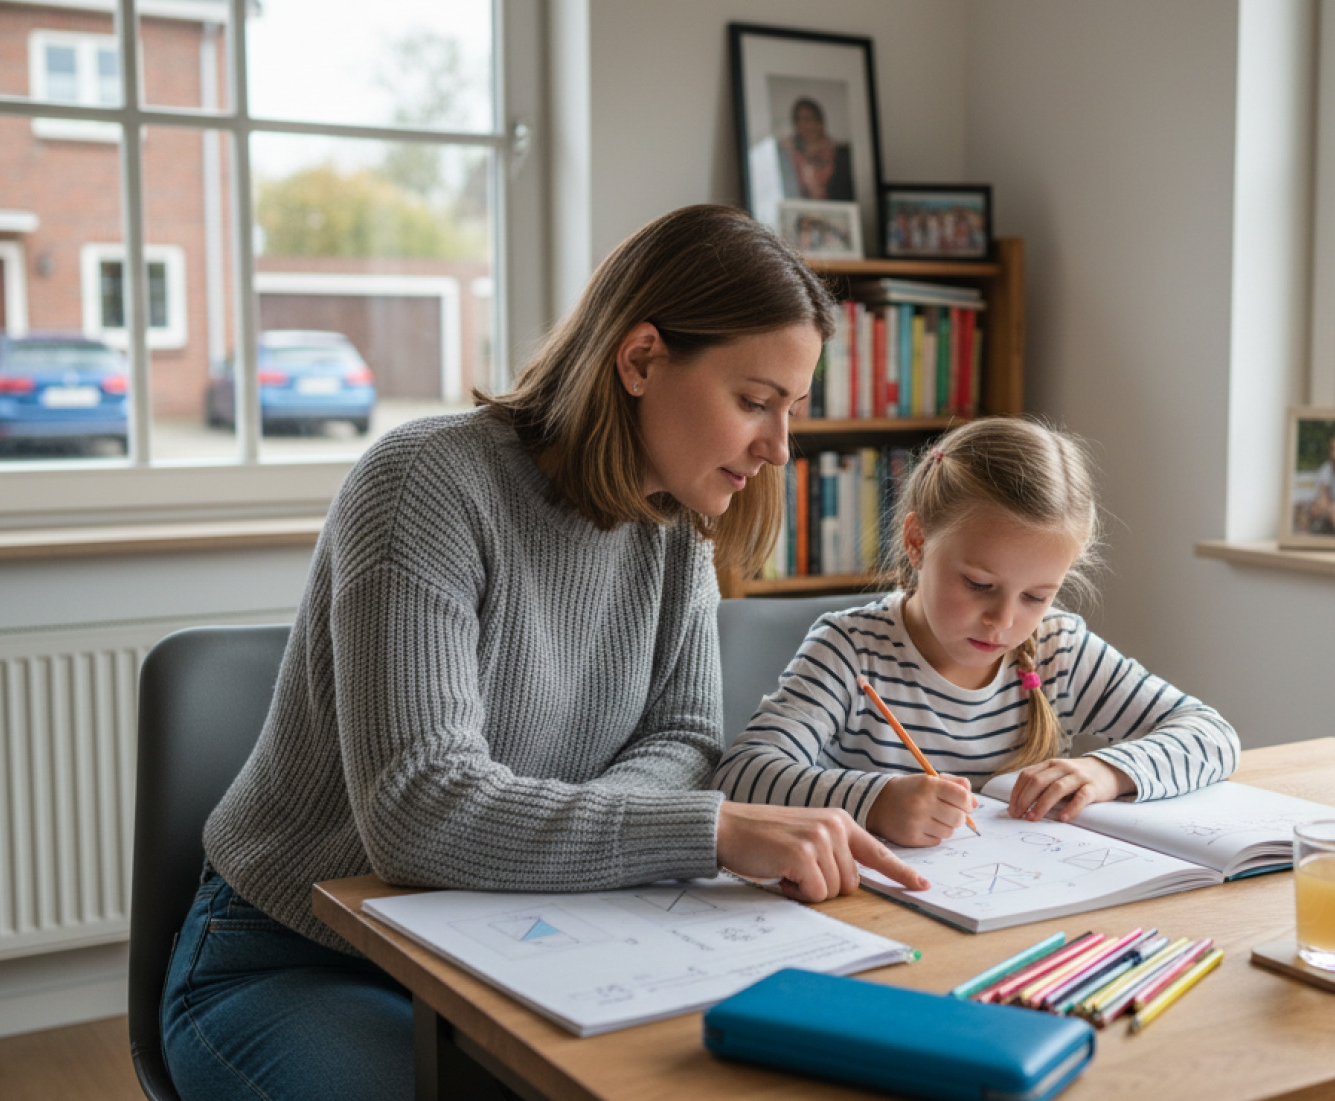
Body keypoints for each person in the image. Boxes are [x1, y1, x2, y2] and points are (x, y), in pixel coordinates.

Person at [160, 205, 927, 1101]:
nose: (779, 446)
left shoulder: (676, 528)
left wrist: (548, 841)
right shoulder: (426, 483)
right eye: (754, 402)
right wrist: (705, 830)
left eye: (791, 410)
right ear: (640, 359)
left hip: (528, 932)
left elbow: (684, 743)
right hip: (298, 954)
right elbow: (419, 811)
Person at [714, 418, 1240, 845]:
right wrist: (875, 802)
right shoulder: (851, 651)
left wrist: (1108, 772)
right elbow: (741, 776)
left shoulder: (1058, 648)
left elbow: (1212, 735)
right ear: (917, 541)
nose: (1004, 620)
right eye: (979, 584)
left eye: (1036, 596)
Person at [779, 96, 853, 201]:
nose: (804, 125)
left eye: (808, 119)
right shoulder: (789, 155)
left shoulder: (841, 154)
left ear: (820, 122)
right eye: (798, 120)